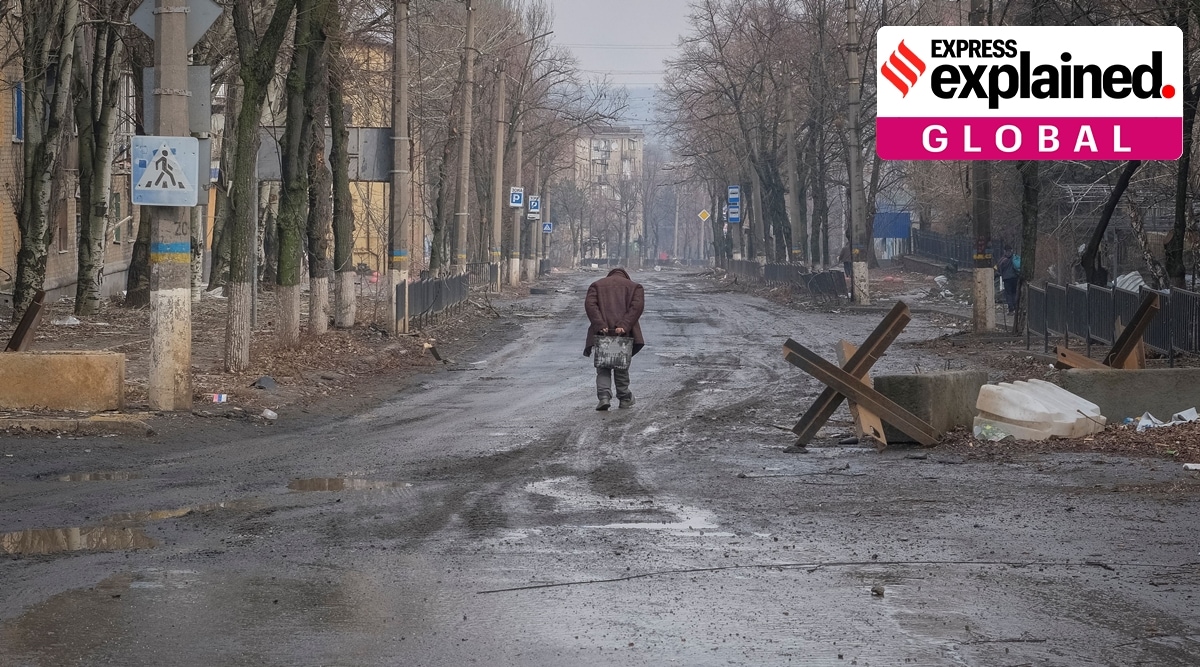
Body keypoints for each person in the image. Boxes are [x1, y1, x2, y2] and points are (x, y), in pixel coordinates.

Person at [584, 268, 645, 411]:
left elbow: (590, 305)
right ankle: (624, 398)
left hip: (602, 334)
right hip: (624, 334)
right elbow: (636, 307)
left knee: (603, 367)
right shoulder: (635, 287)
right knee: (621, 367)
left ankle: (604, 397)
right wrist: (624, 325)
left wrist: (600, 324)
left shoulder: (596, 285)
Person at [997, 245, 1019, 313]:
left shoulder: (1003, 260)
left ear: (1004, 251)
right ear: (1011, 250)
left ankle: (1011, 309)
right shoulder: (1014, 257)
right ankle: (1016, 307)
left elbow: (999, 269)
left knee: (1008, 294)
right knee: (1014, 293)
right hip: (1015, 278)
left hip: (1007, 279)